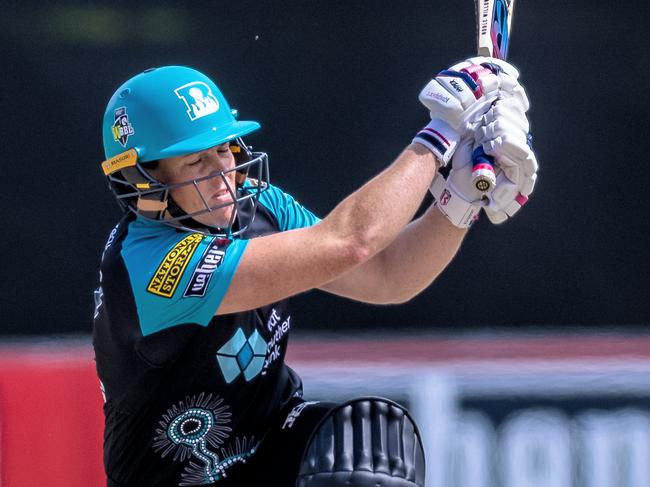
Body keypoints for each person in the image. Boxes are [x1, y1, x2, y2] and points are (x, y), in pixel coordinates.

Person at [93, 60, 537, 487]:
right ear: (142, 179)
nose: (223, 174)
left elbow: (388, 275)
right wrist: (440, 135)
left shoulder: (261, 204)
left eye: (222, 150)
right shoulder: (150, 266)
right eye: (196, 163)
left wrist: (460, 200)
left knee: (365, 449)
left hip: (271, 446)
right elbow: (351, 242)